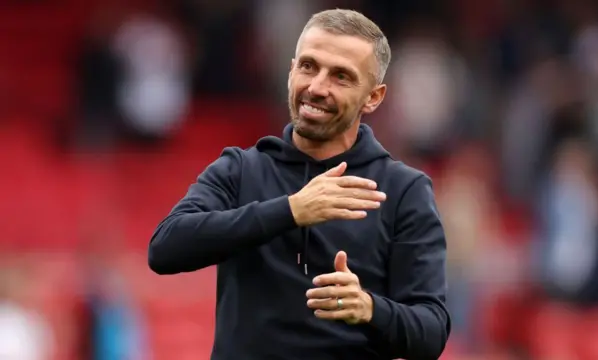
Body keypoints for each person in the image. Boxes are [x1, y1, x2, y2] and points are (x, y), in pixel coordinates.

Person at [148, 9, 450, 360]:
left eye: (341, 76)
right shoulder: (241, 169)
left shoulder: (403, 191)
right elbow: (165, 248)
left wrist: (370, 309)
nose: (317, 87)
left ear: (374, 97)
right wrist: (291, 210)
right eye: (308, 66)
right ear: (291, 70)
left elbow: (430, 332)